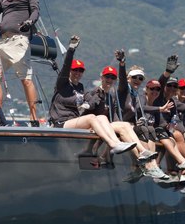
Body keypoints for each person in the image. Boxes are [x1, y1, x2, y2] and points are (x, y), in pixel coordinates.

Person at [81, 52, 168, 181]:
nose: (137, 80)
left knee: (147, 131)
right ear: (128, 78)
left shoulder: (134, 96)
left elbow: (154, 89)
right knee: (129, 129)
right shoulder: (122, 90)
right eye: (134, 78)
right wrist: (122, 64)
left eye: (140, 78)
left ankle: (148, 167)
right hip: (109, 126)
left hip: (118, 126)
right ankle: (145, 166)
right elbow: (121, 80)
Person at [48, 36, 137, 155]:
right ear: (70, 71)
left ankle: (116, 143)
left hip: (74, 121)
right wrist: (71, 50)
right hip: (61, 123)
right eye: (75, 70)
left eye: (80, 71)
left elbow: (91, 101)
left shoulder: (80, 88)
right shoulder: (62, 84)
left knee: (102, 118)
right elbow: (65, 67)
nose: (77, 73)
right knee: (91, 118)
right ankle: (113, 144)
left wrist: (96, 98)